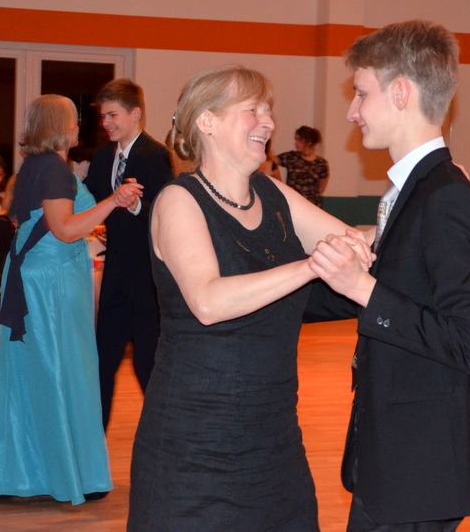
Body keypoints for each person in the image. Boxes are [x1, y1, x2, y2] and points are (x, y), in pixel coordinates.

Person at [128, 66, 370, 530]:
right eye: (253, 109)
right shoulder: (179, 200)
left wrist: (410, 206)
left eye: (269, 110)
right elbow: (208, 301)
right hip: (194, 444)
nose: (269, 122)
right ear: (207, 121)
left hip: (274, 438)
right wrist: (310, 265)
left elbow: (357, 246)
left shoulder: (273, 193)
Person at [308, 20, 470, 530]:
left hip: (421, 465)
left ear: (400, 93)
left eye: (360, 93)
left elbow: (468, 342)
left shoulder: (446, 197)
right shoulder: (415, 189)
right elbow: (397, 293)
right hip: (396, 455)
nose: (351, 111)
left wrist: (361, 286)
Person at [0, 95, 137, 504]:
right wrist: (113, 201)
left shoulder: (35, 165)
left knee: (33, 372)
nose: (78, 127)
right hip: (50, 282)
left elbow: (23, 220)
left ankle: (10, 469)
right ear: (61, 126)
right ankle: (57, 472)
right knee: (58, 370)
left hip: (39, 273)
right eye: (74, 120)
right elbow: (65, 230)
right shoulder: (53, 168)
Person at [85, 79, 174, 431]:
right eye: (103, 116)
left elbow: (167, 212)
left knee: (146, 364)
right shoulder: (102, 156)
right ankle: (93, 445)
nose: (105, 123)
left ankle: (163, 439)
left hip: (147, 278)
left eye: (112, 115)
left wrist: (136, 205)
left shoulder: (154, 154)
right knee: (103, 360)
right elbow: (90, 201)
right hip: (114, 275)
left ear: (135, 114)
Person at [277, 125, 329, 206]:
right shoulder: (291, 157)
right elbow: (271, 162)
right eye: (296, 139)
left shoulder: (321, 163)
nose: (296, 143)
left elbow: (321, 189)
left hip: (312, 207)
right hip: (292, 205)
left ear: (309, 142)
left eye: (299, 140)